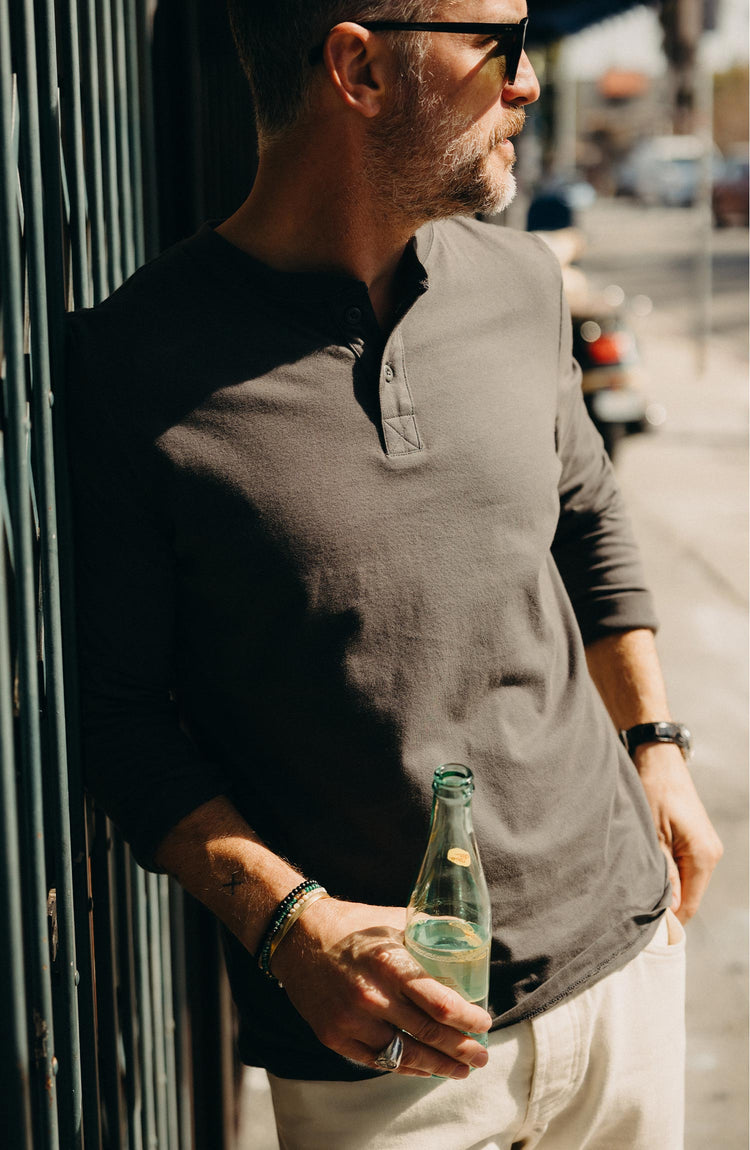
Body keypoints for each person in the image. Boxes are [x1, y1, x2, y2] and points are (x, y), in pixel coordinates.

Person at [66, 2, 723, 1146]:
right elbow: (119, 725)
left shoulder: (521, 283)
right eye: (499, 47)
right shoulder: (135, 364)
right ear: (358, 68)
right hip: (380, 1051)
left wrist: (657, 750)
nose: (525, 84)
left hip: (624, 967)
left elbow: (591, 518)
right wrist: (291, 930)